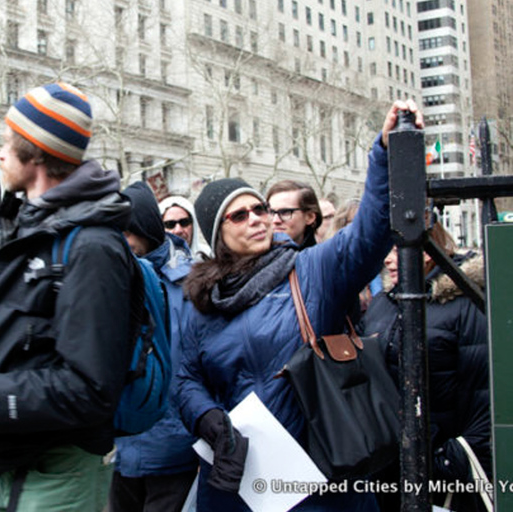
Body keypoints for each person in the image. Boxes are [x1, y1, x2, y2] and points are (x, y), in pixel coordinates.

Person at [175, 100, 423, 511]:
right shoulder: (202, 297)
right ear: (218, 234)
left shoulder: (310, 270)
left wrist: (384, 153)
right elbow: (184, 378)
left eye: (260, 208)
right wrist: (207, 419)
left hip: (320, 475)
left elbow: (370, 234)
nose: (257, 218)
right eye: (239, 215)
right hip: (238, 479)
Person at [0, 82, 140, 512]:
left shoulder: (93, 247)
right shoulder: (40, 224)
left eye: (6, 144)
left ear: (34, 154)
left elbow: (90, 390)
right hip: (6, 468)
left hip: (57, 475)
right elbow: (7, 282)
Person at [359, 221, 490, 512]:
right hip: (393, 466)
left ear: (427, 248)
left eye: (394, 249)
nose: (388, 259)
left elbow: (484, 392)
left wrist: (447, 459)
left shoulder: (465, 302)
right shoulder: (384, 302)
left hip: (443, 472)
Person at [110, 181, 198, 512]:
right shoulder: (114, 273)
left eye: (124, 230)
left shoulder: (190, 285)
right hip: (119, 447)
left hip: (172, 448)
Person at [266, 180, 322, 249]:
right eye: (271, 212)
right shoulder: (253, 255)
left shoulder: (319, 258)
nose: (275, 220)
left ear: (310, 217)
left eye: (285, 212)